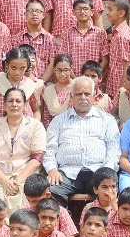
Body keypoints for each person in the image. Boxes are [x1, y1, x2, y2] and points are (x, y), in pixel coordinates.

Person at [44, 76, 121, 206]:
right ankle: (62, 224)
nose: (83, 97)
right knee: (51, 190)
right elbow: (49, 150)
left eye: (87, 94)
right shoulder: (58, 121)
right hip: (67, 173)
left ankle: (104, 225)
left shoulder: (107, 120)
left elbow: (113, 150)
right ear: (71, 96)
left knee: (107, 190)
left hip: (97, 170)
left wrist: (105, 172)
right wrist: (52, 169)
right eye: (78, 94)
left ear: (94, 96)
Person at [0, 88, 46, 211]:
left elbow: (37, 159)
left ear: (24, 105)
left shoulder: (35, 126)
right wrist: (5, 181)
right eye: (10, 101)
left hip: (25, 177)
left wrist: (17, 181)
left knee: (23, 202)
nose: (14, 104)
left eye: (18, 101)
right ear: (4, 105)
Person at [0, 48, 40, 123]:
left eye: (22, 68)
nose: (17, 72)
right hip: (0, 127)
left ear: (27, 66)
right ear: (7, 65)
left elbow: (36, 110)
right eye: (13, 68)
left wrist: (34, 126)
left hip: (24, 128)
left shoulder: (29, 84)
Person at [13, 0, 58, 79]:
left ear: (43, 15)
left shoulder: (50, 39)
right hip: (22, 83)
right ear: (25, 14)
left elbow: (52, 63)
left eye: (38, 11)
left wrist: (41, 83)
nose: (34, 14)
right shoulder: (17, 39)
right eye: (31, 11)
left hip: (44, 84)